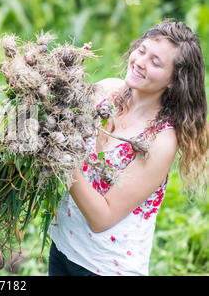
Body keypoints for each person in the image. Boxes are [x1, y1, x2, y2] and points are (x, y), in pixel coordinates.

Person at [48, 19, 208, 276]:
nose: (140, 62)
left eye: (156, 62)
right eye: (142, 50)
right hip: (63, 245)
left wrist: (60, 157)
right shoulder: (108, 90)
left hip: (105, 266)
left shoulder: (160, 141)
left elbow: (102, 218)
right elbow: (57, 115)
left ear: (173, 80)